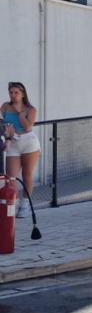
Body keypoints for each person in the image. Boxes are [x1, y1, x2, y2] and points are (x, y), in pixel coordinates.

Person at [2, 82, 40, 218]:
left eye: (16, 93)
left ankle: (25, 205)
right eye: (11, 92)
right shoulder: (5, 106)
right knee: (11, 176)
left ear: (23, 94)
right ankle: (12, 203)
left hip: (28, 143)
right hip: (12, 142)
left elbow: (28, 127)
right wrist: (6, 131)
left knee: (27, 175)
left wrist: (20, 115)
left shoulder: (30, 109)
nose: (13, 95)